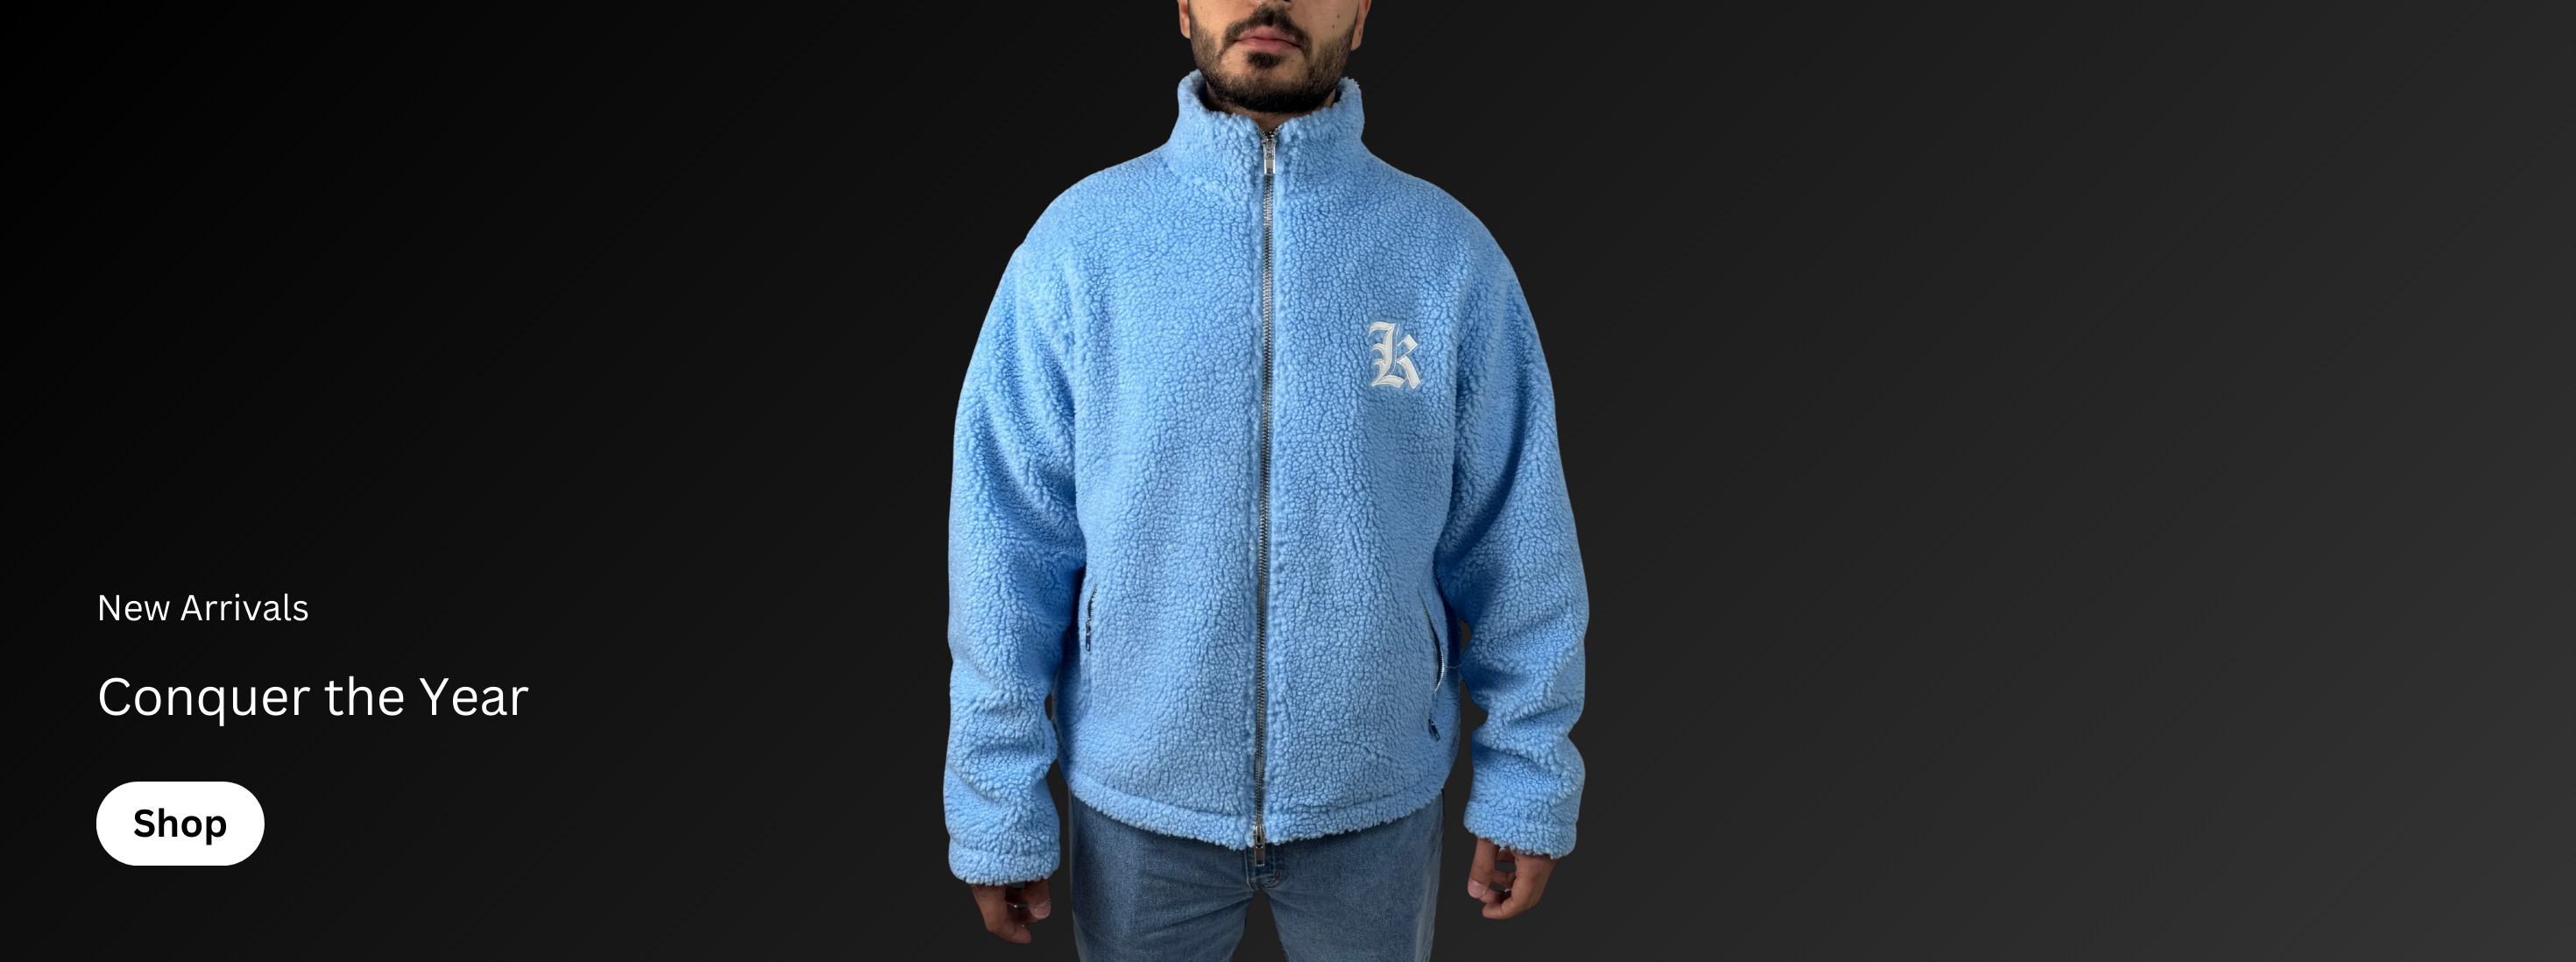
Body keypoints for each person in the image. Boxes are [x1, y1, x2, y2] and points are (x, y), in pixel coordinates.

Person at [943, 2, 1589, 957]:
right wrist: (998, 800)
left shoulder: (1446, 255)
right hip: (1137, 804)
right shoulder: (1080, 246)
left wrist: (1527, 776)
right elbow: (1004, 542)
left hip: (1375, 801)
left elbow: (1517, 535)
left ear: (1361, 14)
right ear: (1183, 7)